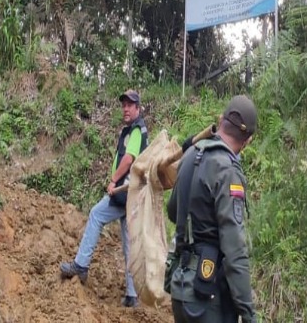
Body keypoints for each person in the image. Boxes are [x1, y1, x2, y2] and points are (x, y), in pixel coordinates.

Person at [166, 95, 258, 323]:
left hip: (181, 290)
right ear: (248, 140)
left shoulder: (190, 155)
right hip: (208, 298)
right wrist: (248, 314)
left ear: (220, 120)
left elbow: (173, 211)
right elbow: (235, 250)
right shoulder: (228, 171)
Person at [60, 89, 148, 308]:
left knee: (96, 214)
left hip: (125, 192)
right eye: (123, 105)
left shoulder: (136, 130)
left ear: (138, 108)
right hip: (132, 195)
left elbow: (129, 159)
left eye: (130, 105)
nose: (125, 109)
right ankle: (132, 295)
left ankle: (81, 265)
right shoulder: (132, 129)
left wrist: (113, 180)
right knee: (128, 242)